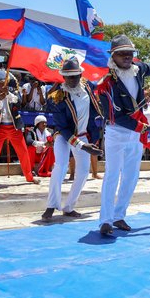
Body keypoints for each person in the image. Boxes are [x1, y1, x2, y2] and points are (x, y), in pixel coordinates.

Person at [96, 35, 150, 235]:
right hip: (117, 132)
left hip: (136, 133)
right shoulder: (106, 84)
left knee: (131, 176)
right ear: (113, 56)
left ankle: (119, 216)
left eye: (130, 53)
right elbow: (116, 117)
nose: (126, 57)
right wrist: (146, 128)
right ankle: (105, 220)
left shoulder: (138, 70)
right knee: (112, 175)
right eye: (122, 53)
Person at [41, 58, 103, 221]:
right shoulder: (57, 97)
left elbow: (104, 82)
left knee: (83, 173)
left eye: (75, 76)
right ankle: (51, 205)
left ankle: (69, 207)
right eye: (69, 77)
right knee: (60, 166)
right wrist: (84, 146)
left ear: (81, 74)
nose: (73, 80)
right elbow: (64, 128)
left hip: (84, 136)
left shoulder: (88, 86)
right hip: (64, 136)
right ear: (63, 77)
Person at [0, 70, 40, 184]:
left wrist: (8, 94)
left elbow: (19, 102)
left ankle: (29, 177)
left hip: (14, 128)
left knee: (23, 153)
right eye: (1, 85)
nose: (3, 87)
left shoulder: (12, 94)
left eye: (4, 84)